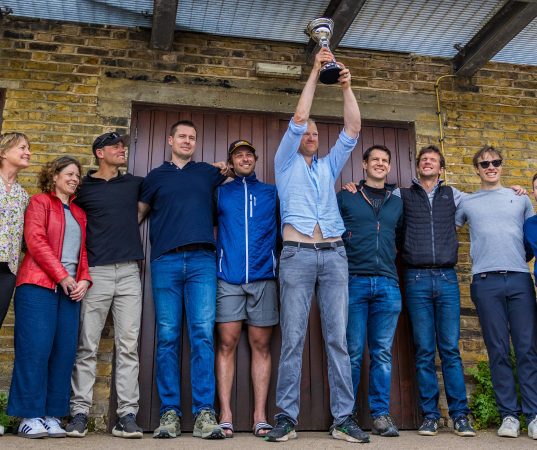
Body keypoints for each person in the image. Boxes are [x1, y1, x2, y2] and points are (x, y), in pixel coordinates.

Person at [265, 47, 368, 443]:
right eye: (306, 133)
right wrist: (314, 72)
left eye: (314, 134)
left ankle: (343, 419)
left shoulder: (328, 166)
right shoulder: (284, 162)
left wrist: (346, 86)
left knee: (337, 339)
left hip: (335, 255)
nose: (310, 136)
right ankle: (286, 419)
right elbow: (298, 117)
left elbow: (353, 129)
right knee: (292, 339)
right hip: (297, 256)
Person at [138, 120, 227, 440]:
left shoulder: (206, 172)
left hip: (202, 261)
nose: (187, 141)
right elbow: (138, 214)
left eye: (192, 137)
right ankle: (169, 413)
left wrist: (224, 166)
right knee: (167, 336)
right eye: (182, 136)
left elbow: (238, 168)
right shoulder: (155, 177)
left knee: (202, 334)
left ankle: (204, 413)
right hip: (166, 261)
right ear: (170, 140)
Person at [65, 133, 144, 438]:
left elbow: (160, 193)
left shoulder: (134, 184)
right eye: (115, 146)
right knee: (87, 344)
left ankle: (126, 416)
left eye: (123, 146)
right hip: (94, 273)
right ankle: (79, 413)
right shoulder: (83, 188)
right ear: (100, 153)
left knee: (128, 346)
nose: (122, 149)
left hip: (129, 272)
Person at [456, 145, 537, 439]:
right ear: (476, 169)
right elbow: (442, 226)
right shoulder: (467, 202)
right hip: (485, 281)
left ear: (502, 165)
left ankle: (534, 415)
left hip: (519, 279)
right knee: (498, 350)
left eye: (496, 162)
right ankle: (509, 416)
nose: (491, 167)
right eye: (484, 163)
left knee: (527, 348)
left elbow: (530, 238)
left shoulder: (520, 199)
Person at [7, 156, 91, 439]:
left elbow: (83, 252)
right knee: (35, 351)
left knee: (63, 353)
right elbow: (36, 241)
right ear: (54, 176)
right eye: (69, 174)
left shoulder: (79, 213)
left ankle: (53, 415)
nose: (74, 179)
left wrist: (84, 279)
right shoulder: (39, 203)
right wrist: (62, 275)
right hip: (37, 287)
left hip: (70, 292)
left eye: (77, 175)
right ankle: (29, 416)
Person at [396, 145, 475, 437]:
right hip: (416, 278)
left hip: (446, 278)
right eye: (424, 159)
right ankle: (430, 416)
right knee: (424, 350)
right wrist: (353, 187)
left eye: (433, 160)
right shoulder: (402, 195)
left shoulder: (454, 195)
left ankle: (460, 416)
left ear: (441, 168)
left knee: (450, 349)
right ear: (418, 166)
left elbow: (484, 200)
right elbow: (374, 199)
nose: (428, 162)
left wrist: (514, 192)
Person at [337, 145, 403, 437]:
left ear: (389, 166)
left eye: (384, 160)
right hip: (354, 281)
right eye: (374, 159)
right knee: (351, 353)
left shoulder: (397, 201)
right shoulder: (347, 196)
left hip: (388, 283)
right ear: (364, 164)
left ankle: (380, 415)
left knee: (382, 354)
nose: (380, 163)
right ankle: (346, 416)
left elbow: (401, 237)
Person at [215, 140, 279, 438]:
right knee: (226, 344)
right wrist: (218, 174)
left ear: (255, 159)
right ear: (231, 161)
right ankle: (225, 414)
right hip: (228, 277)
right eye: (238, 155)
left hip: (263, 277)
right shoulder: (220, 192)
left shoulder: (270, 192)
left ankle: (260, 416)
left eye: (249, 155)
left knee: (261, 346)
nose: (244, 158)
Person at [0, 133, 31, 330]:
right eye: (22, 148)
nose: (28, 152)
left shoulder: (23, 195)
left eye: (28, 148)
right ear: (3, 152)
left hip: (7, 271)